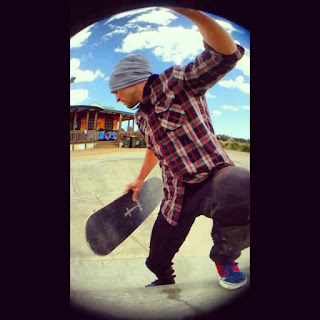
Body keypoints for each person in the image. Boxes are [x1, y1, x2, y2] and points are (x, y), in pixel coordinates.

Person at [109, 7, 250, 290]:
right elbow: (154, 148)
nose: (116, 96)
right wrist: (139, 178)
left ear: (130, 81)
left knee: (242, 184)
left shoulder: (177, 82)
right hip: (177, 193)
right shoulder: (140, 116)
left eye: (117, 90)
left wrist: (191, 11)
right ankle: (163, 277)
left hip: (213, 178)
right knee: (156, 257)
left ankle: (224, 258)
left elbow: (223, 56)